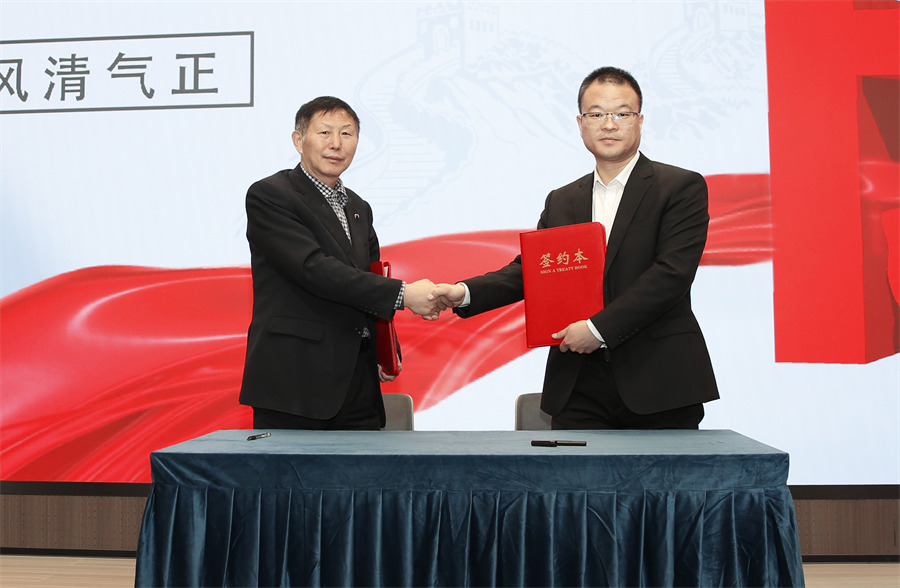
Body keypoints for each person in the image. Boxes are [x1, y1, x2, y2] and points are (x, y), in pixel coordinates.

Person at [431, 67, 719, 430]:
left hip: (660, 379)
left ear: (640, 121)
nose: (609, 125)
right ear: (581, 124)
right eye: (596, 114)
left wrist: (597, 329)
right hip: (579, 383)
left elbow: (671, 275)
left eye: (621, 113)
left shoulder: (679, 187)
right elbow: (531, 271)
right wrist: (464, 292)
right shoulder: (563, 200)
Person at [239, 96, 438, 430]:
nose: (336, 143)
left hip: (359, 381)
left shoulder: (359, 207)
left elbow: (369, 276)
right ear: (299, 140)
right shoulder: (271, 195)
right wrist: (404, 294)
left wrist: (385, 348)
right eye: (325, 132)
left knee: (364, 464)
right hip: (296, 381)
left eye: (347, 133)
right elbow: (313, 269)